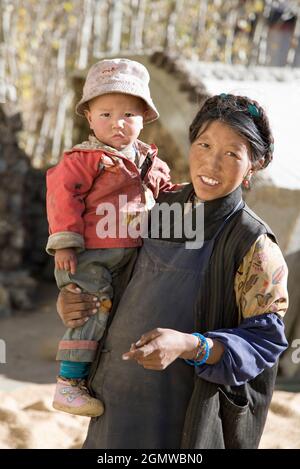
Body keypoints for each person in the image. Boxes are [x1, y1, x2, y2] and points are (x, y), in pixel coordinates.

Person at [56, 94, 289, 449]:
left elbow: (265, 342)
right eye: (204, 144)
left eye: (231, 153)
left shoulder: (252, 243)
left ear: (252, 167)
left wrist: (190, 345)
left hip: (185, 420)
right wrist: (75, 302)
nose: (211, 164)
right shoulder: (155, 209)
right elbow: (114, 277)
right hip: (115, 406)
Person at [46, 58, 180, 417]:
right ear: (89, 117)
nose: (117, 124)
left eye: (128, 115)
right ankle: (68, 384)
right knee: (90, 311)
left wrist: (188, 194)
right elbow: (63, 195)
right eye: (105, 115)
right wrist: (65, 241)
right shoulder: (85, 159)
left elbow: (166, 192)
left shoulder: (149, 161)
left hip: (134, 255)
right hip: (90, 254)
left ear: (143, 118)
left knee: (123, 315)